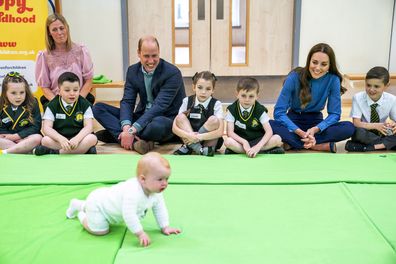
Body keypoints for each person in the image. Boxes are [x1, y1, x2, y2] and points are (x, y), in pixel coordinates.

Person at [93, 35, 186, 154]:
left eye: (154, 56)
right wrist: (126, 127)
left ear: (159, 52)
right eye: (146, 56)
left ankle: (117, 136)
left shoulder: (173, 73)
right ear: (138, 53)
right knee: (98, 108)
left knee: (156, 126)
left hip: (166, 119)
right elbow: (128, 101)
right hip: (142, 116)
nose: (151, 61)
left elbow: (159, 106)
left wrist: (133, 129)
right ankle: (134, 142)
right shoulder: (132, 71)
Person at [65, 152, 181, 247]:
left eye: (167, 179)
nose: (165, 183)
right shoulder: (133, 192)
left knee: (104, 221)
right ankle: (81, 212)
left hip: (107, 204)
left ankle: (82, 206)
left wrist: (165, 226)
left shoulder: (155, 192)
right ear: (143, 179)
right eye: (160, 179)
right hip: (98, 205)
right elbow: (129, 215)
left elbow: (159, 208)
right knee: (100, 231)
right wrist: (140, 233)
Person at [270, 43, 355, 152]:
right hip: (293, 120)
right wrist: (298, 131)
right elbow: (279, 112)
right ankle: (316, 145)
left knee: (349, 127)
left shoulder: (333, 80)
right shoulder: (294, 77)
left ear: (330, 65)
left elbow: (335, 114)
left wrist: (316, 129)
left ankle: (295, 143)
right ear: (309, 61)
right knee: (268, 124)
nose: (317, 68)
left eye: (323, 64)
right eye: (314, 62)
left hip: (316, 122)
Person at [35, 13, 95, 108]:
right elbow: (44, 87)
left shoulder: (81, 50)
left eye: (61, 28)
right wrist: (59, 105)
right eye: (54, 29)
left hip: (79, 99)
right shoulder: (44, 56)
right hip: (55, 101)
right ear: (49, 33)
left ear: (67, 28)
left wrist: (78, 102)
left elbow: (88, 80)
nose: (59, 32)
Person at [33, 72, 97, 155]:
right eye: (67, 90)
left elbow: (88, 127)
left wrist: (77, 139)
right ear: (59, 91)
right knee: (45, 140)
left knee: (92, 138)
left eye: (75, 90)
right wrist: (60, 139)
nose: (72, 93)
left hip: (78, 139)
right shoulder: (52, 105)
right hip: (60, 140)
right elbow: (46, 128)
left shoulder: (84, 104)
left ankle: (55, 152)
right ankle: (83, 150)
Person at [224, 77, 284, 158]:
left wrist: (257, 147)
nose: (247, 99)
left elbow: (269, 132)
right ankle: (264, 151)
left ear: (257, 96)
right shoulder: (232, 109)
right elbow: (230, 133)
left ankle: (246, 151)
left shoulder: (260, 110)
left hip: (258, 140)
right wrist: (244, 142)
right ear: (237, 94)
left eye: (251, 96)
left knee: (277, 139)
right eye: (243, 95)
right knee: (228, 142)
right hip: (241, 142)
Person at [172, 71, 223, 156]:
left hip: (208, 139)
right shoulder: (186, 101)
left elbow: (220, 132)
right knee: (180, 117)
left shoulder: (216, 104)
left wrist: (198, 137)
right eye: (200, 87)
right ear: (194, 87)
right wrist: (189, 136)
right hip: (188, 137)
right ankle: (200, 150)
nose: (203, 92)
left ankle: (190, 146)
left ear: (213, 90)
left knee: (214, 120)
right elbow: (174, 128)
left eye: (208, 89)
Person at [345, 66, 396, 151]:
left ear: (386, 85)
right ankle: (386, 145)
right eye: (368, 85)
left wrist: (393, 126)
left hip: (381, 133)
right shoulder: (358, 98)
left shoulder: (392, 99)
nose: (371, 89)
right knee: (357, 132)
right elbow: (356, 123)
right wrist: (376, 126)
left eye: (376, 86)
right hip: (365, 132)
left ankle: (367, 147)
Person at [0, 72, 42, 154]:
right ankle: (24, 149)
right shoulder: (0, 103)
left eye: (22, 92)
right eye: (13, 93)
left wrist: (17, 136)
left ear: (26, 91)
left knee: (37, 138)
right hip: (7, 139)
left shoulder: (33, 102)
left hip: (26, 138)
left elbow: (35, 126)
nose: (18, 97)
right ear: (5, 93)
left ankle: (7, 152)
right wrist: (10, 137)